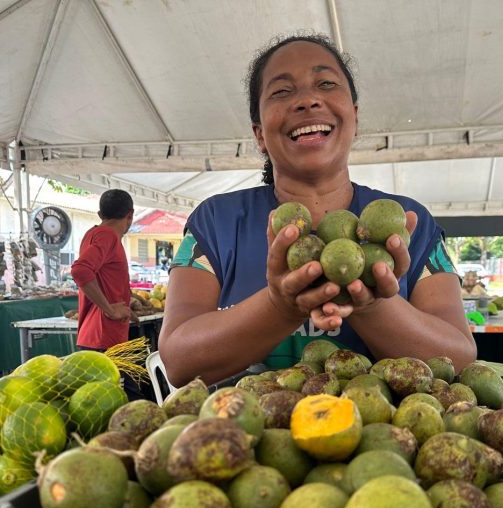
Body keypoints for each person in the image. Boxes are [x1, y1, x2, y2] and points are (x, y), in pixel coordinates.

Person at [159, 34, 476, 387]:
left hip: (385, 439)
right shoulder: (215, 222)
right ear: (259, 133)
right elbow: (178, 360)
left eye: (326, 84)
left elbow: (459, 358)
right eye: (281, 91)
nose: (308, 100)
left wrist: (369, 303)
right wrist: (280, 306)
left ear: (353, 117)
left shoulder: (408, 223)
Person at [71, 188, 138, 351]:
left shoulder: (92, 234)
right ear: (130, 215)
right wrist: (109, 310)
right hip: (104, 338)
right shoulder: (107, 235)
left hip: (97, 336)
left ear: (100, 214)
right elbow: (80, 270)